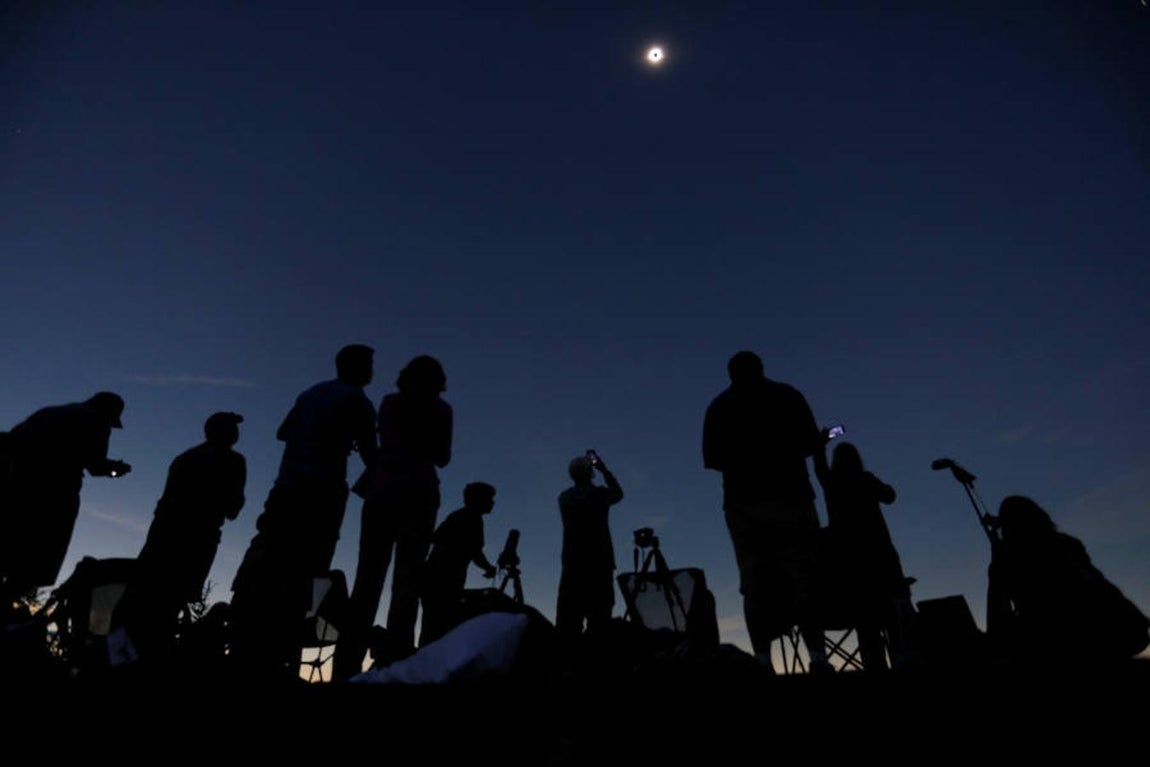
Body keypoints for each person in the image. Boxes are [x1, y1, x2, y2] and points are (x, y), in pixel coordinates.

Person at [229, 345, 378, 677]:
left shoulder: (311, 393)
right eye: (369, 364)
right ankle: (281, 650)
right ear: (358, 367)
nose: (372, 370)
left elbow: (282, 432)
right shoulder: (359, 402)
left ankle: (249, 641)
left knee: (268, 558)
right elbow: (372, 455)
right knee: (308, 568)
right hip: (322, 491)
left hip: (286, 486)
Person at [702, 351, 829, 672]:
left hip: (744, 506)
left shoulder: (719, 407)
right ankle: (817, 657)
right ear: (761, 368)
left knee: (755, 582)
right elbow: (809, 443)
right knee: (804, 576)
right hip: (791, 499)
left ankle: (761, 660)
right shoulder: (787, 395)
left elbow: (713, 459)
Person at [335, 355, 452, 678]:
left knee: (367, 580)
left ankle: (345, 667)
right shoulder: (442, 411)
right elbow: (443, 457)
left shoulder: (389, 403)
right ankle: (397, 665)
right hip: (419, 495)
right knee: (408, 582)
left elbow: (380, 444)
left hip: (382, 492)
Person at [113, 412, 246, 661]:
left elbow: (165, 502)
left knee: (142, 599)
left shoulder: (184, 459)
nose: (236, 433)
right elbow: (233, 509)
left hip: (163, 537)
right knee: (169, 605)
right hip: (196, 540)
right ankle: (144, 661)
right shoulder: (234, 461)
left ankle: (120, 659)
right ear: (223, 432)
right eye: (231, 428)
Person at [0, 392, 130, 606]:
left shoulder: (47, 413)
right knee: (32, 563)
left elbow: (9, 441)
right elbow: (95, 465)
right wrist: (115, 468)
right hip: (54, 497)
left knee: (8, 550)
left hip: (14, 490)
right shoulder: (97, 420)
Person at [987, 495, 1149, 666]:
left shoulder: (1007, 560)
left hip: (1062, 642)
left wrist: (996, 558)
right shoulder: (1068, 544)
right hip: (1125, 630)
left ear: (1008, 529)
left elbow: (997, 622)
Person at [816, 440, 912, 671]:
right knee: (890, 610)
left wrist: (820, 445)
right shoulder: (866, 480)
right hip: (880, 553)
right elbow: (890, 496)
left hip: (851, 559)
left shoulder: (831, 483)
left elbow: (819, 468)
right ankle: (899, 656)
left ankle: (875, 664)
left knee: (865, 616)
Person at [418, 481, 498, 646]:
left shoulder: (457, 516)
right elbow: (474, 551)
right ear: (479, 500)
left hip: (434, 579)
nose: (492, 503)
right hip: (444, 581)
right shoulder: (472, 519)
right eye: (490, 499)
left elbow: (436, 537)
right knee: (438, 628)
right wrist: (489, 568)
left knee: (431, 628)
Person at [556, 451, 624, 642]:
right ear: (590, 473)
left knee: (568, 621)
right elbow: (618, 494)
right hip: (600, 564)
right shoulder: (600, 495)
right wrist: (604, 470)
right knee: (600, 619)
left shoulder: (564, 498)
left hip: (572, 565)